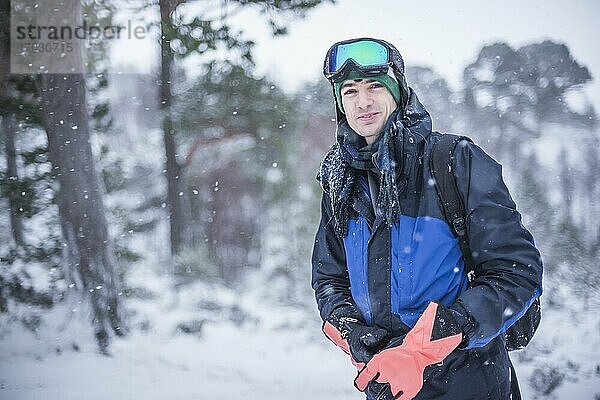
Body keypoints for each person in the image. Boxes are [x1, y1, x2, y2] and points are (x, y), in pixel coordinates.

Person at [311, 37, 543, 400]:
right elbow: (328, 279)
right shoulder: (340, 181)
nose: (363, 102)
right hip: (385, 385)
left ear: (398, 91)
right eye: (350, 91)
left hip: (471, 383)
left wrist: (429, 342)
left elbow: (517, 273)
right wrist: (351, 328)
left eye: (375, 86)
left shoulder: (453, 161)